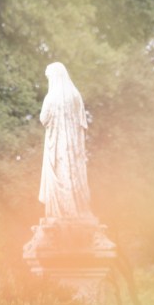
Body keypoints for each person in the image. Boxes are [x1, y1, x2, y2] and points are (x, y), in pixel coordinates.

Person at [39, 62, 92, 219]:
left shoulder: (51, 97)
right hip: (73, 148)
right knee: (74, 175)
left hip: (56, 148)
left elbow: (43, 119)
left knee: (60, 174)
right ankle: (78, 209)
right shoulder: (75, 95)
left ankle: (62, 211)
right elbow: (82, 122)